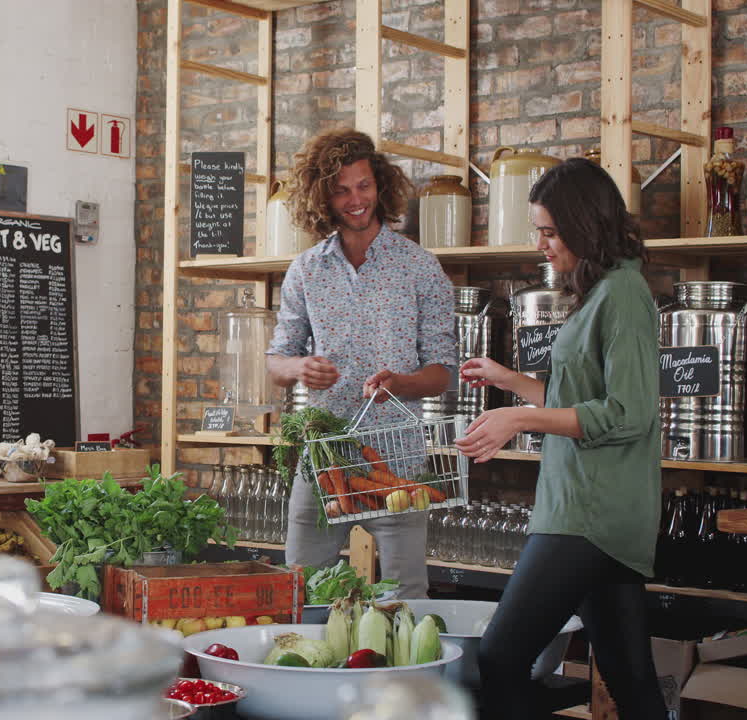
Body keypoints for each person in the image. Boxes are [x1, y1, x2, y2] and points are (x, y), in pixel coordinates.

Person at [454, 158, 666, 719]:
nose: (542, 245)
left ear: (584, 223)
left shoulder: (622, 296)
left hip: (589, 513)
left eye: (550, 231)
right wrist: (508, 382)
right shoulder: (601, 292)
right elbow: (576, 398)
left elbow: (629, 412)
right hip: (591, 508)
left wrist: (517, 420)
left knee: (500, 657)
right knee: (630, 677)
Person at [266, 128, 456, 598]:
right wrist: (299, 368)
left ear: (381, 187)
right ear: (322, 197)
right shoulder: (307, 269)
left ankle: (399, 674)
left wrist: (403, 383)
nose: (356, 200)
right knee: (304, 589)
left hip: (396, 457)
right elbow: (276, 360)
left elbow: (443, 371)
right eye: (342, 189)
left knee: (404, 596)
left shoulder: (419, 266)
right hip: (324, 454)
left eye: (364, 186)